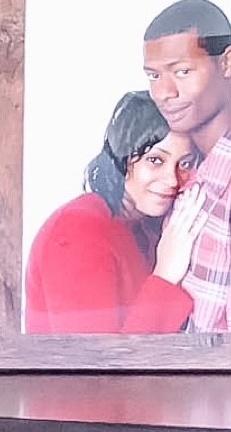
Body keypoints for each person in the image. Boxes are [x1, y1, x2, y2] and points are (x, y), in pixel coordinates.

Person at [25, 89, 196, 333]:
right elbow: (95, 365)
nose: (172, 179)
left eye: (185, 163)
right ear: (120, 157)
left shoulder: (148, 225)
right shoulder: (78, 230)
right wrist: (166, 275)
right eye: (155, 160)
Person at [142, 0, 231, 330]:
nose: (164, 92)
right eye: (153, 75)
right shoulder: (187, 174)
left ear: (227, 63)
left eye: (182, 71)